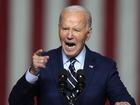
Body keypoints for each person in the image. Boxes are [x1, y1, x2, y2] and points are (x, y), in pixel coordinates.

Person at [9, 5, 136, 105]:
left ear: (88, 33)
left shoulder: (105, 67)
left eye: (76, 30)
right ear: (59, 28)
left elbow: (124, 99)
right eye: (65, 28)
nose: (69, 35)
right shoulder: (43, 62)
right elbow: (15, 101)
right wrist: (32, 72)